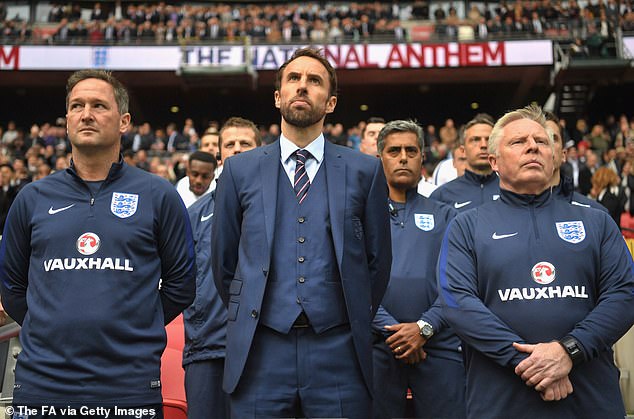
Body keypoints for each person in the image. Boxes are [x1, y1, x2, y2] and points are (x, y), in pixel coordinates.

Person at [0, 69, 196, 416]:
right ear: (67, 119)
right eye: (77, 105)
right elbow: (12, 287)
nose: (86, 113)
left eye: (98, 105)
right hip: (42, 385)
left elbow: (182, 286)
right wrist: (51, 323)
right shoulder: (32, 198)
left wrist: (137, 323)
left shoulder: (158, 195)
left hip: (129, 388)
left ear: (124, 121)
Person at [211, 47, 391, 419]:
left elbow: (377, 261)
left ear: (331, 102)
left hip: (339, 351)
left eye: (314, 81)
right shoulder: (239, 171)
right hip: (260, 349)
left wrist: (347, 313)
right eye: (294, 79)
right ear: (278, 97)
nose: (302, 87)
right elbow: (224, 261)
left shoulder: (365, 171)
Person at [437, 104, 634, 418]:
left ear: (554, 155)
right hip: (501, 400)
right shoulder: (466, 226)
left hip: (590, 399)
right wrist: (530, 363)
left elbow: (625, 295)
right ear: (494, 162)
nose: (533, 146)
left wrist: (571, 350)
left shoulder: (596, 221)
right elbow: (457, 303)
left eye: (542, 141)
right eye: (518, 142)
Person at [372, 120, 463, 419]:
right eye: (393, 150)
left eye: (411, 150)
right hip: (378, 346)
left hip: (439, 345)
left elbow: (458, 282)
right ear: (379, 158)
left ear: (423, 157)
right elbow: (353, 282)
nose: (402, 157)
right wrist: (396, 333)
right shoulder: (358, 216)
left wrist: (424, 328)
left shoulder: (447, 215)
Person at [183, 177, 229, 419]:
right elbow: (176, 281)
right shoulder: (194, 214)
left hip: (266, 347)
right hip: (207, 346)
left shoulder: (280, 209)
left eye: (245, 144)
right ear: (220, 157)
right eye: (230, 145)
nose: (238, 150)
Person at [430, 113, 498, 212]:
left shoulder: (514, 191)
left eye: (489, 139)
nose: (483, 145)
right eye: (475, 139)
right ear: (463, 151)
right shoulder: (441, 195)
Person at [545, 112, 606, 211]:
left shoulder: (596, 214)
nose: (545, 145)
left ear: (563, 154)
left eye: (552, 138)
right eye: (538, 139)